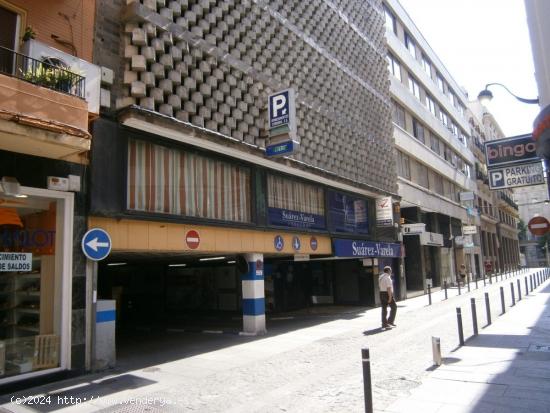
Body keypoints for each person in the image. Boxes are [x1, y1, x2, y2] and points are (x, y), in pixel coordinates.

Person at [379, 265, 397, 329]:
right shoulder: (387, 278)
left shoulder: (381, 277)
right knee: (394, 307)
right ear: (388, 271)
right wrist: (390, 297)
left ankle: (384, 323)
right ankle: (390, 321)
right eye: (391, 270)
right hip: (387, 294)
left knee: (384, 309)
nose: (391, 271)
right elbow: (389, 288)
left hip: (381, 293)